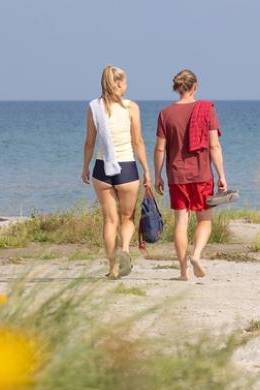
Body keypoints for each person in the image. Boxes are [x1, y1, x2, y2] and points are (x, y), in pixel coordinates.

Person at [153, 69, 227, 281]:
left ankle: (183, 272)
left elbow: (160, 149)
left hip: (176, 175)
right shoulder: (207, 110)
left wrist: (158, 175)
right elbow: (214, 145)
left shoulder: (165, 114)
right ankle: (196, 255)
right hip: (202, 174)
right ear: (195, 86)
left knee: (181, 221)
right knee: (204, 219)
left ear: (177, 88)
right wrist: (221, 174)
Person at [81, 65, 150, 279]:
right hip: (126, 168)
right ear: (118, 83)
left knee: (109, 220)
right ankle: (126, 250)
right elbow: (137, 141)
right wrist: (147, 169)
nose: (127, 86)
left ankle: (112, 268)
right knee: (127, 216)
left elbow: (89, 143)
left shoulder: (94, 107)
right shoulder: (131, 108)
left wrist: (85, 166)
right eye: (125, 82)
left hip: (102, 168)